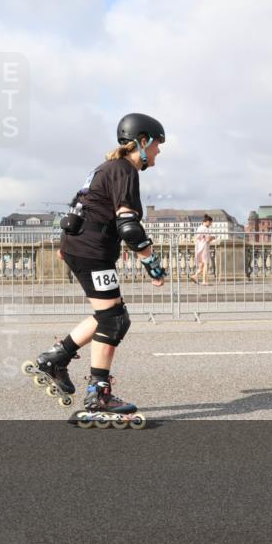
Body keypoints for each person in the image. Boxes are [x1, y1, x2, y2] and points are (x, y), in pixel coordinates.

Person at [31, 112, 167, 417]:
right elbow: (129, 227)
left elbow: (79, 207)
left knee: (110, 315)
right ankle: (98, 394)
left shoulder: (104, 169)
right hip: (91, 250)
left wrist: (66, 246)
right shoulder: (125, 169)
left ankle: (56, 358)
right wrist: (153, 265)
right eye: (157, 144)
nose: (158, 151)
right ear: (142, 141)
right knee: (113, 320)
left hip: (82, 248)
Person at [190, 214, 215, 285]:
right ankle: (204, 281)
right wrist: (212, 237)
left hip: (200, 248)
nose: (211, 224)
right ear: (207, 222)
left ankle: (195, 276)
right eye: (210, 223)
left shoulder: (200, 228)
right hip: (204, 247)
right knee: (205, 264)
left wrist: (209, 238)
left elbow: (199, 237)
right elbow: (206, 238)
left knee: (202, 265)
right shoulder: (204, 229)